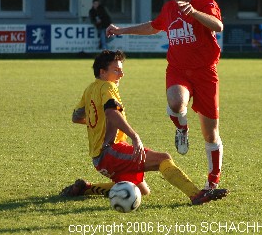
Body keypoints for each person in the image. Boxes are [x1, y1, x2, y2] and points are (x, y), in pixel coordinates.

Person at [106, 0, 225, 191]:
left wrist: (195, 14)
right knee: (175, 103)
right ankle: (182, 129)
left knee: (210, 134)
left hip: (205, 73)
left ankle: (213, 180)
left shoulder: (205, 3)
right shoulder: (169, 8)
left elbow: (218, 26)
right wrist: (121, 30)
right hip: (178, 70)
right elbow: (153, 27)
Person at [60, 50, 228, 206]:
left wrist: (96, 122)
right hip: (110, 152)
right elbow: (112, 113)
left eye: (121, 70)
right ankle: (196, 195)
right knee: (163, 158)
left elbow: (76, 117)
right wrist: (134, 136)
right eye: (116, 70)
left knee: (140, 190)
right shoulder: (108, 87)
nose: (121, 74)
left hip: (99, 157)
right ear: (102, 72)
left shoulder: (90, 89)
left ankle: (85, 188)